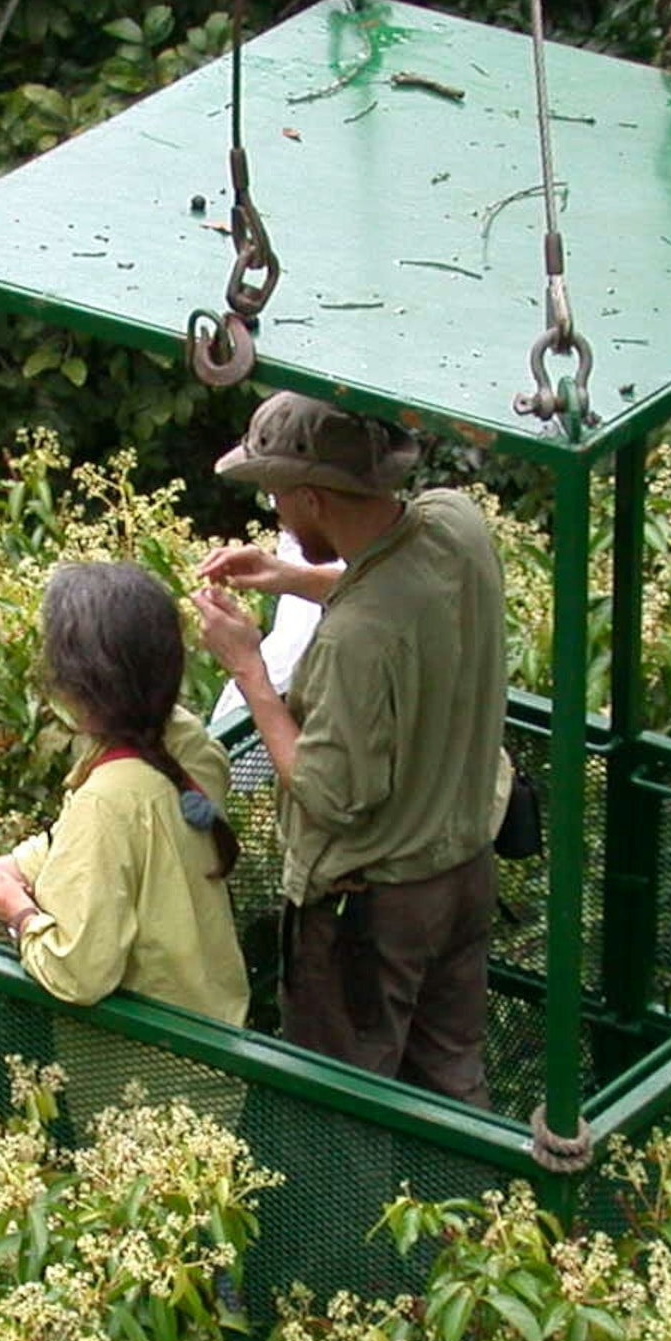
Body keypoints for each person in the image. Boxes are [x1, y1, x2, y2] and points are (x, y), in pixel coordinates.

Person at [192, 392, 506, 1104]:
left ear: (310, 497)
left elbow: (330, 794)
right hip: (464, 866)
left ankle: (348, 1217)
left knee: (344, 1107)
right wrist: (292, 578)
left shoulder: (354, 641)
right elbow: (402, 582)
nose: (276, 515)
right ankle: (473, 1214)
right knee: (452, 1081)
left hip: (376, 907)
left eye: (277, 497)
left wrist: (251, 672)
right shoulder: (455, 521)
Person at [0, 562, 250, 1029]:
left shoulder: (107, 800)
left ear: (73, 681)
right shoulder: (185, 740)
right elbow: (68, 853)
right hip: (220, 1042)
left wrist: (17, 914)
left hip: (151, 1080)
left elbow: (77, 973)